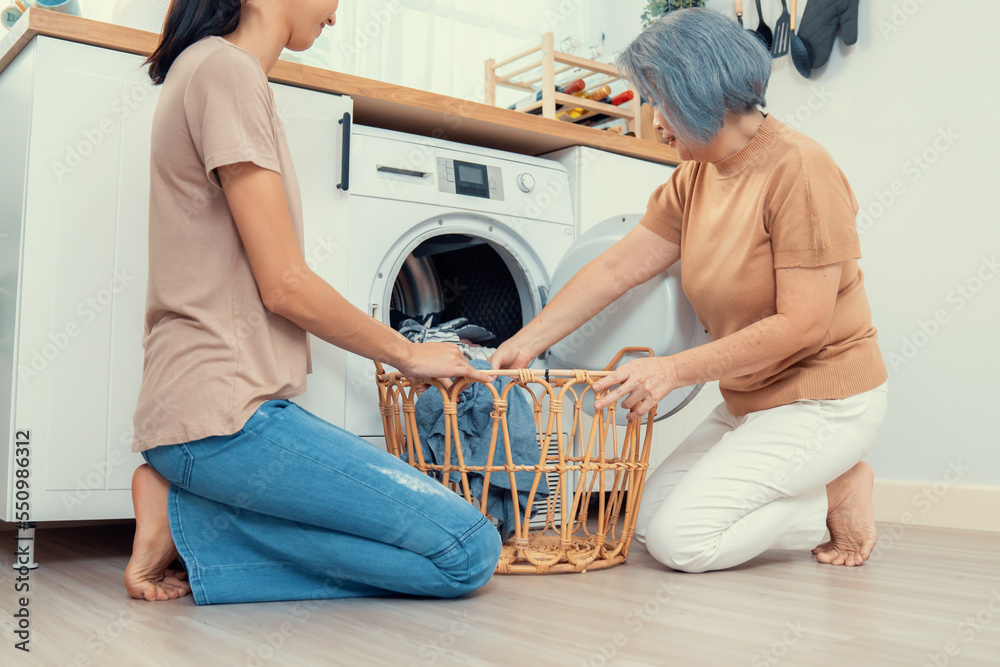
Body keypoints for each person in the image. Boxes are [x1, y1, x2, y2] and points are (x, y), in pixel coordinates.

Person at [125, 0, 500, 604]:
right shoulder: (226, 72)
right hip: (223, 419)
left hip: (220, 413)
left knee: (451, 547)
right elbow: (286, 284)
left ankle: (186, 515)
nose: (336, 14)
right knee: (467, 553)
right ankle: (187, 520)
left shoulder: (218, 71)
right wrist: (409, 353)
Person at [490, 8, 889, 573]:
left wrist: (672, 371)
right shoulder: (695, 175)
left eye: (660, 101)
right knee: (646, 524)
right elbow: (613, 271)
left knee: (684, 543)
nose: (653, 121)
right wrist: (526, 341)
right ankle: (825, 483)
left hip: (825, 400)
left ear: (704, 94)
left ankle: (838, 491)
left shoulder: (801, 170)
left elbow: (804, 325)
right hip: (751, 401)